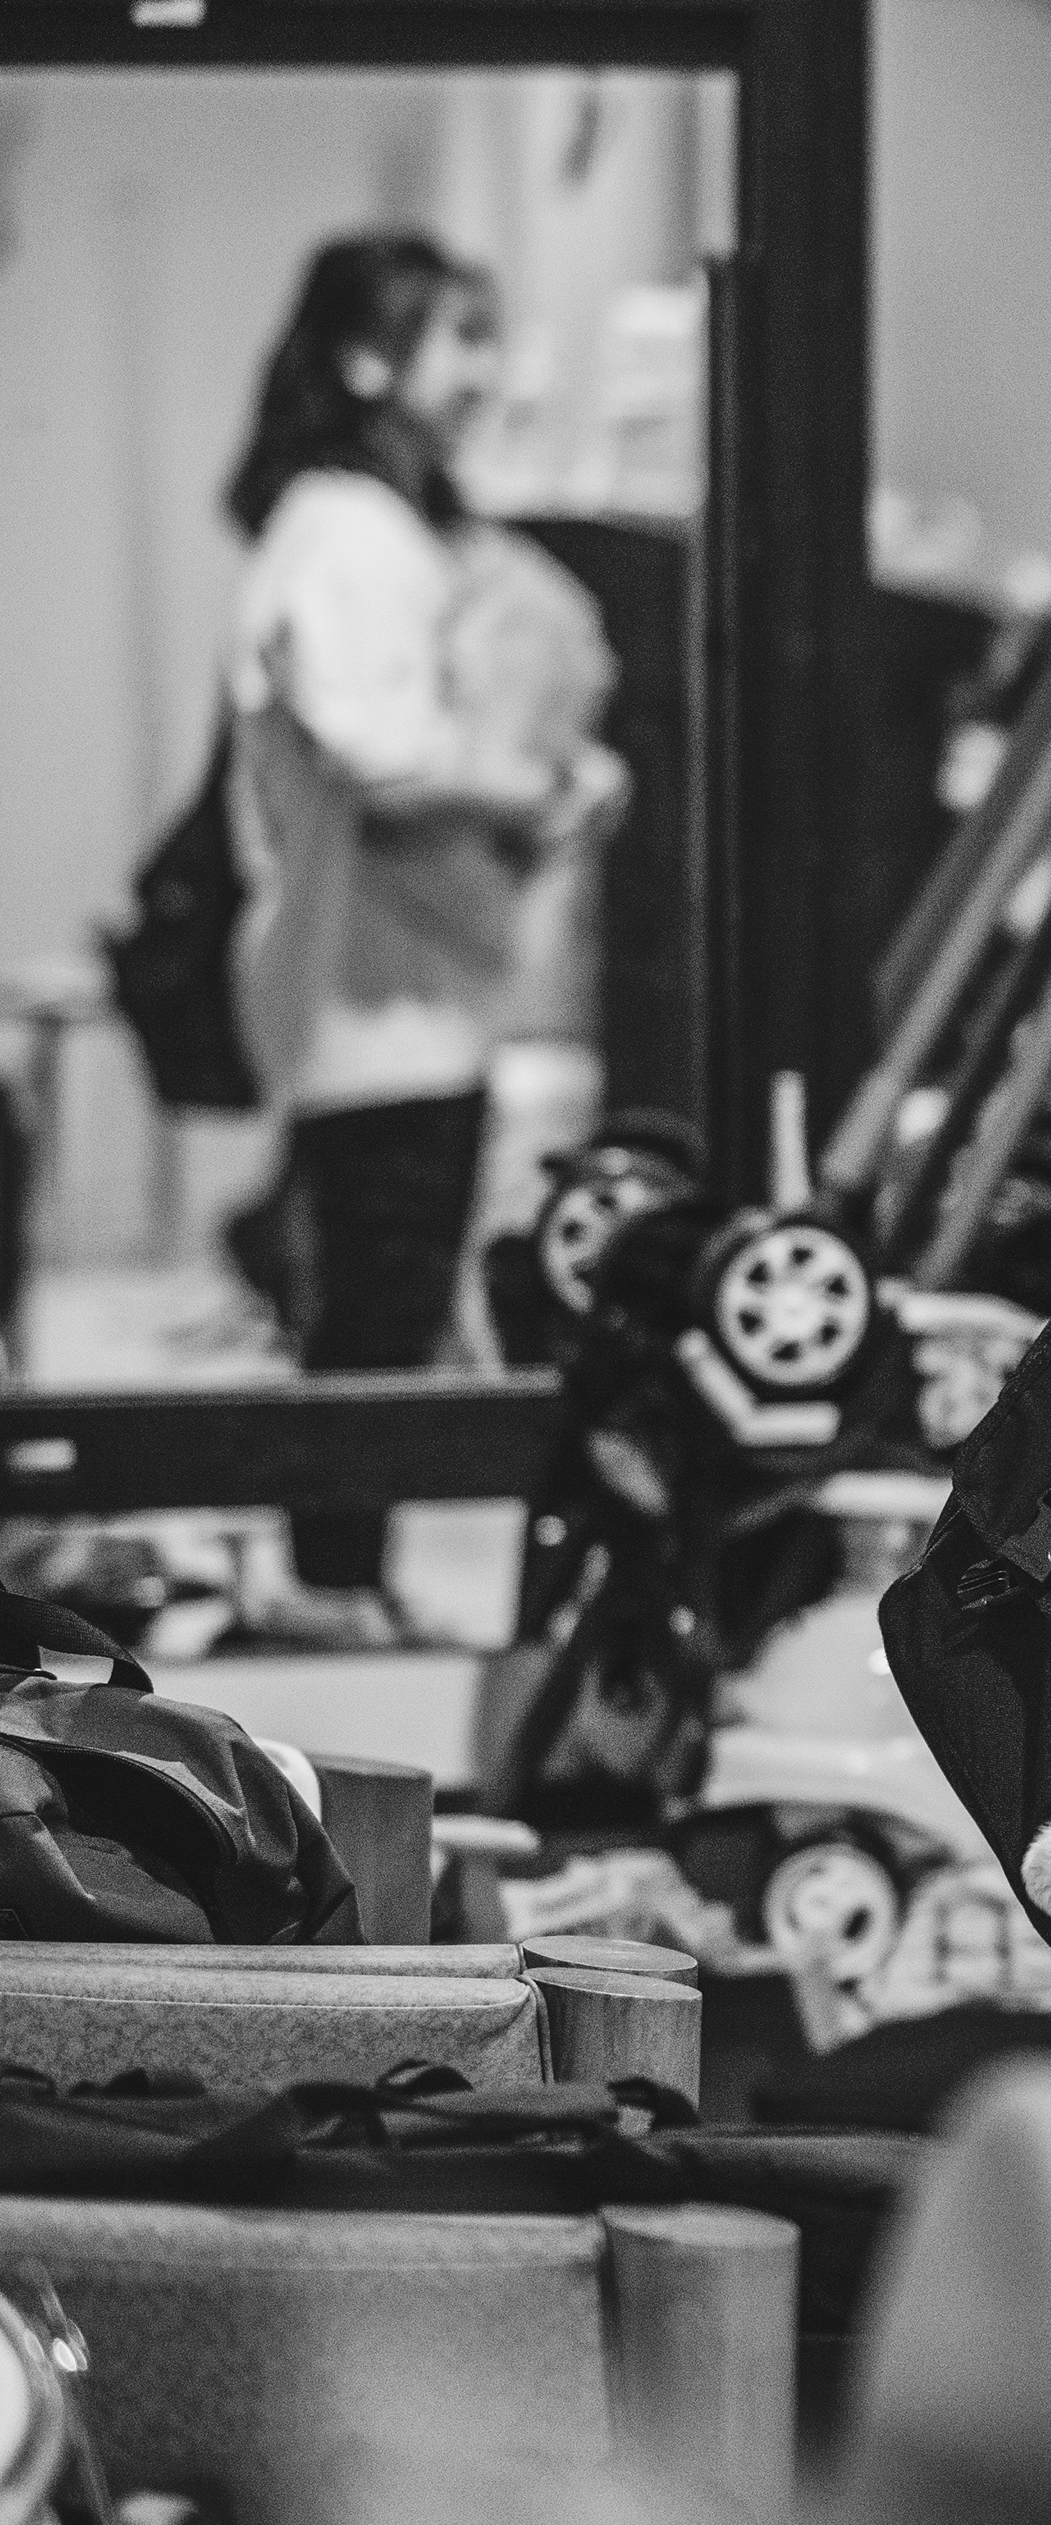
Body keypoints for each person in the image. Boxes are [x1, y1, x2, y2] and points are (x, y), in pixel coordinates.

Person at [222, 231, 625, 1643]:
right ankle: (332, 1593)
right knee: (376, 1315)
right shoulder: (349, 531)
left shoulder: (363, 527)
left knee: (376, 1299)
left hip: (397, 991)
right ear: (365, 359)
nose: (484, 374)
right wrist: (545, 784)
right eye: (460, 338)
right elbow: (384, 762)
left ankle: (342, 1581)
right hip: (374, 1001)